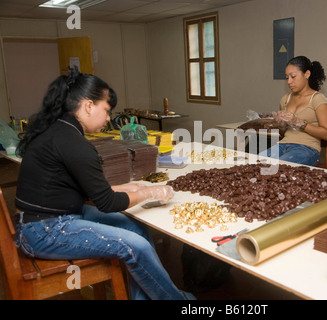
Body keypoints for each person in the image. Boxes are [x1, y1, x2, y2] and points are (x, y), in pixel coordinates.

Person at [14, 67, 194, 300]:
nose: (109, 118)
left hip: (47, 219)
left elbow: (87, 191)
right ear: (89, 106)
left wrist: (130, 188)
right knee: (134, 246)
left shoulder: (59, 130)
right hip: (44, 231)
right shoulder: (74, 144)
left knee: (135, 228)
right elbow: (107, 202)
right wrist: (150, 192)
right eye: (106, 110)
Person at [260, 56, 327, 165]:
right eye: (287, 77)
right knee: (255, 164)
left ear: (307, 74)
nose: (289, 81)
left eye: (293, 77)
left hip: (306, 148)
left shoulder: (318, 99)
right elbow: (283, 132)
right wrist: (279, 124)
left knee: (279, 168)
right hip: (283, 144)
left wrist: (298, 122)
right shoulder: (285, 99)